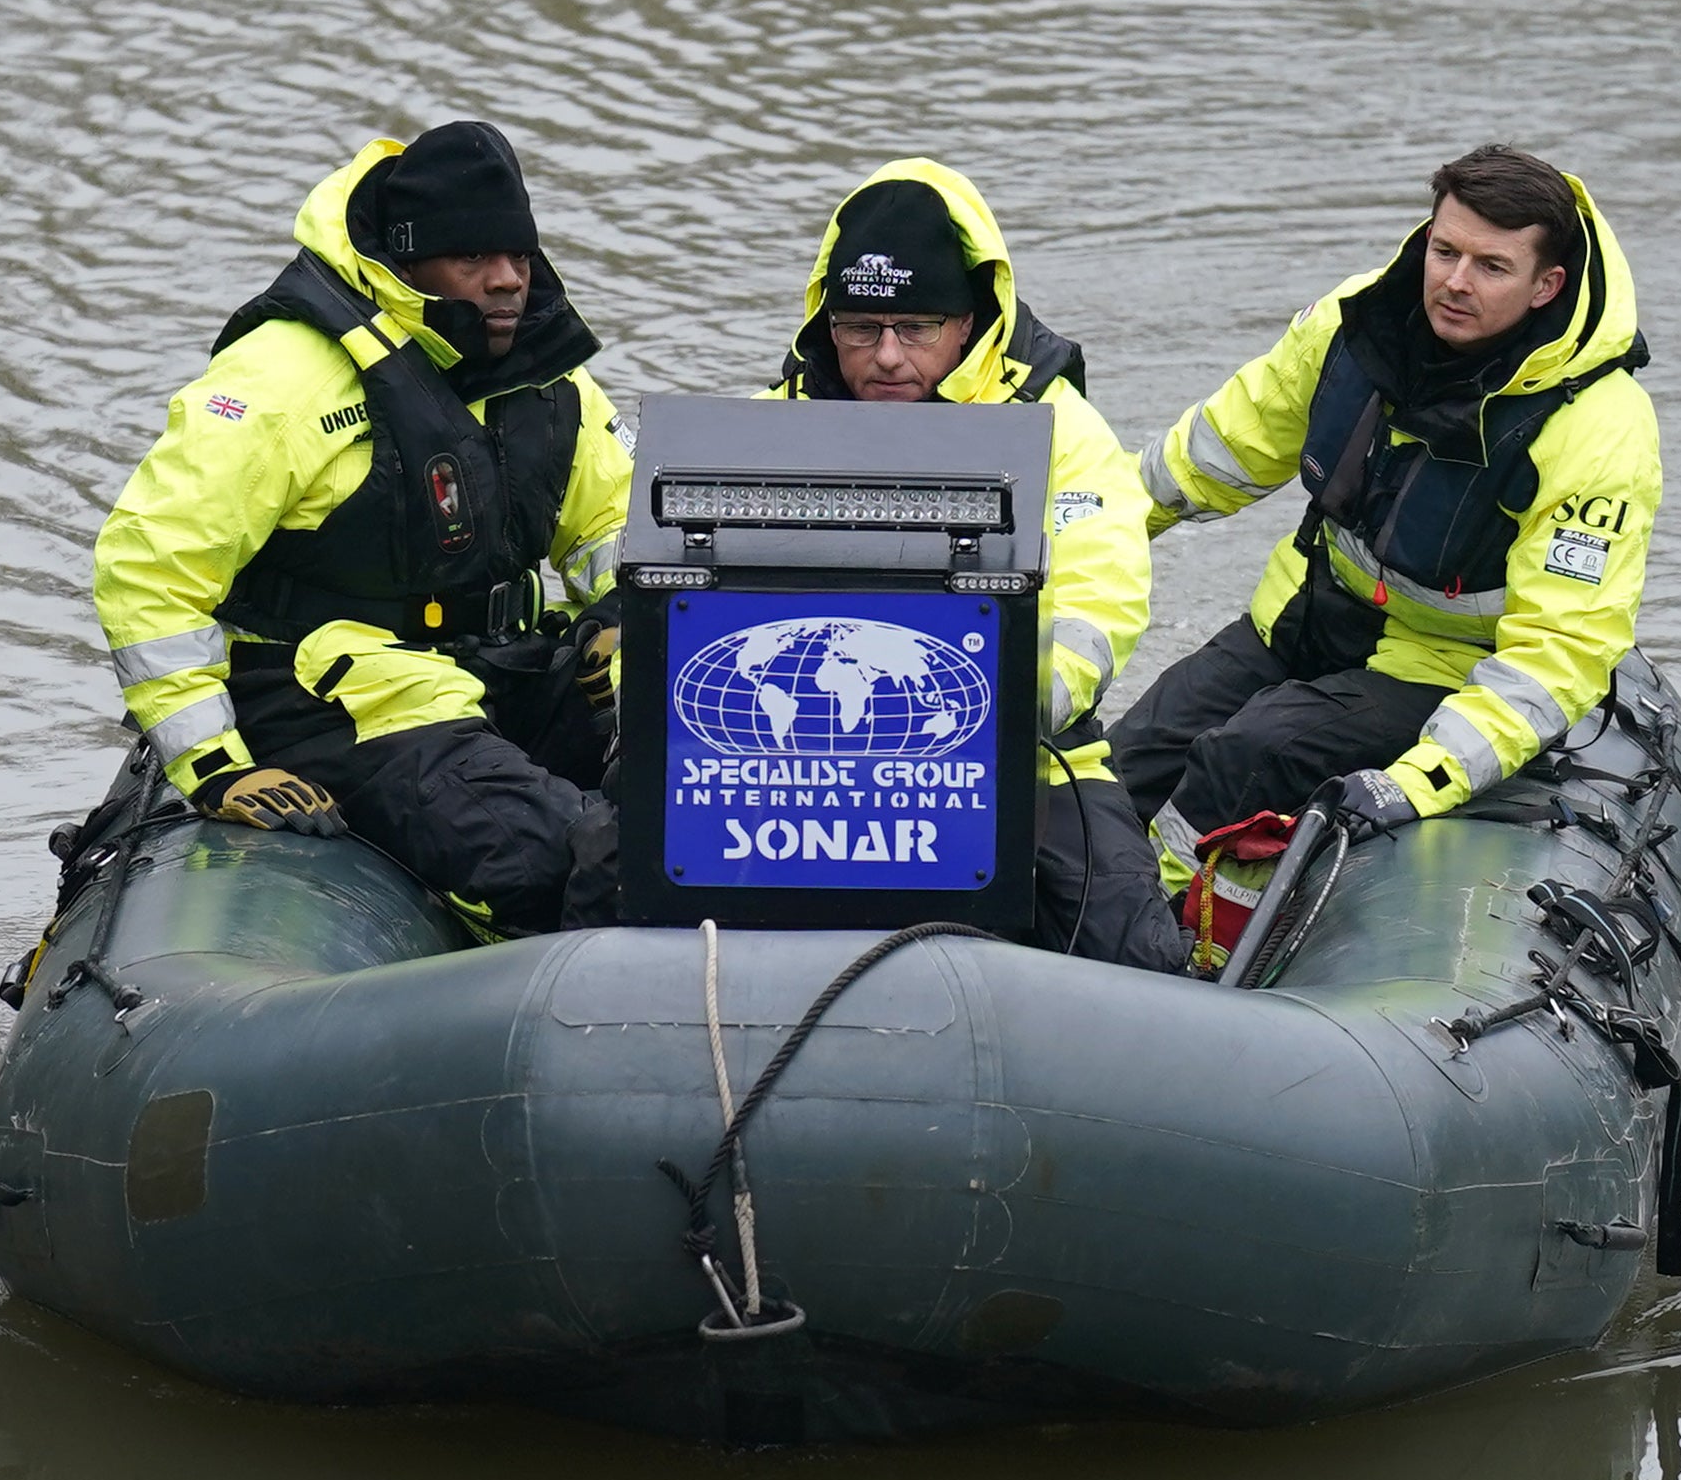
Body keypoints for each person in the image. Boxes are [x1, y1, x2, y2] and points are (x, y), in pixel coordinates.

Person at [87, 122, 629, 932]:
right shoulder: (285, 378)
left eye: (518, 256)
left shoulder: (549, 377)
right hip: (330, 696)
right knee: (557, 857)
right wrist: (210, 765)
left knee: (688, 762)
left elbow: (616, 523)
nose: (508, 281)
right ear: (405, 264)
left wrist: (623, 618)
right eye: (474, 260)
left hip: (494, 667)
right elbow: (148, 565)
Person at [1108, 144, 1657, 846]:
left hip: (1442, 670)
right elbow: (1215, 453)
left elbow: (1562, 646)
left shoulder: (1598, 427)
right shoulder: (1355, 322)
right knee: (1130, 758)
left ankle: (1178, 941)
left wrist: (1425, 777)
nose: (1456, 282)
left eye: (1491, 267)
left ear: (1546, 286)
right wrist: (1065, 541)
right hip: (1303, 618)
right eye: (1445, 252)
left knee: (1248, 759)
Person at [758, 160, 1176, 971]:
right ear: (826, 322)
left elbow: (1101, 599)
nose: (885, 356)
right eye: (859, 328)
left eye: (914, 328)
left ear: (969, 321)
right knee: (606, 867)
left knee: (1138, 950)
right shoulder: (760, 429)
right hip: (791, 770)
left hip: (1025, 755)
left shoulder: (1061, 429)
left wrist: (1003, 719)